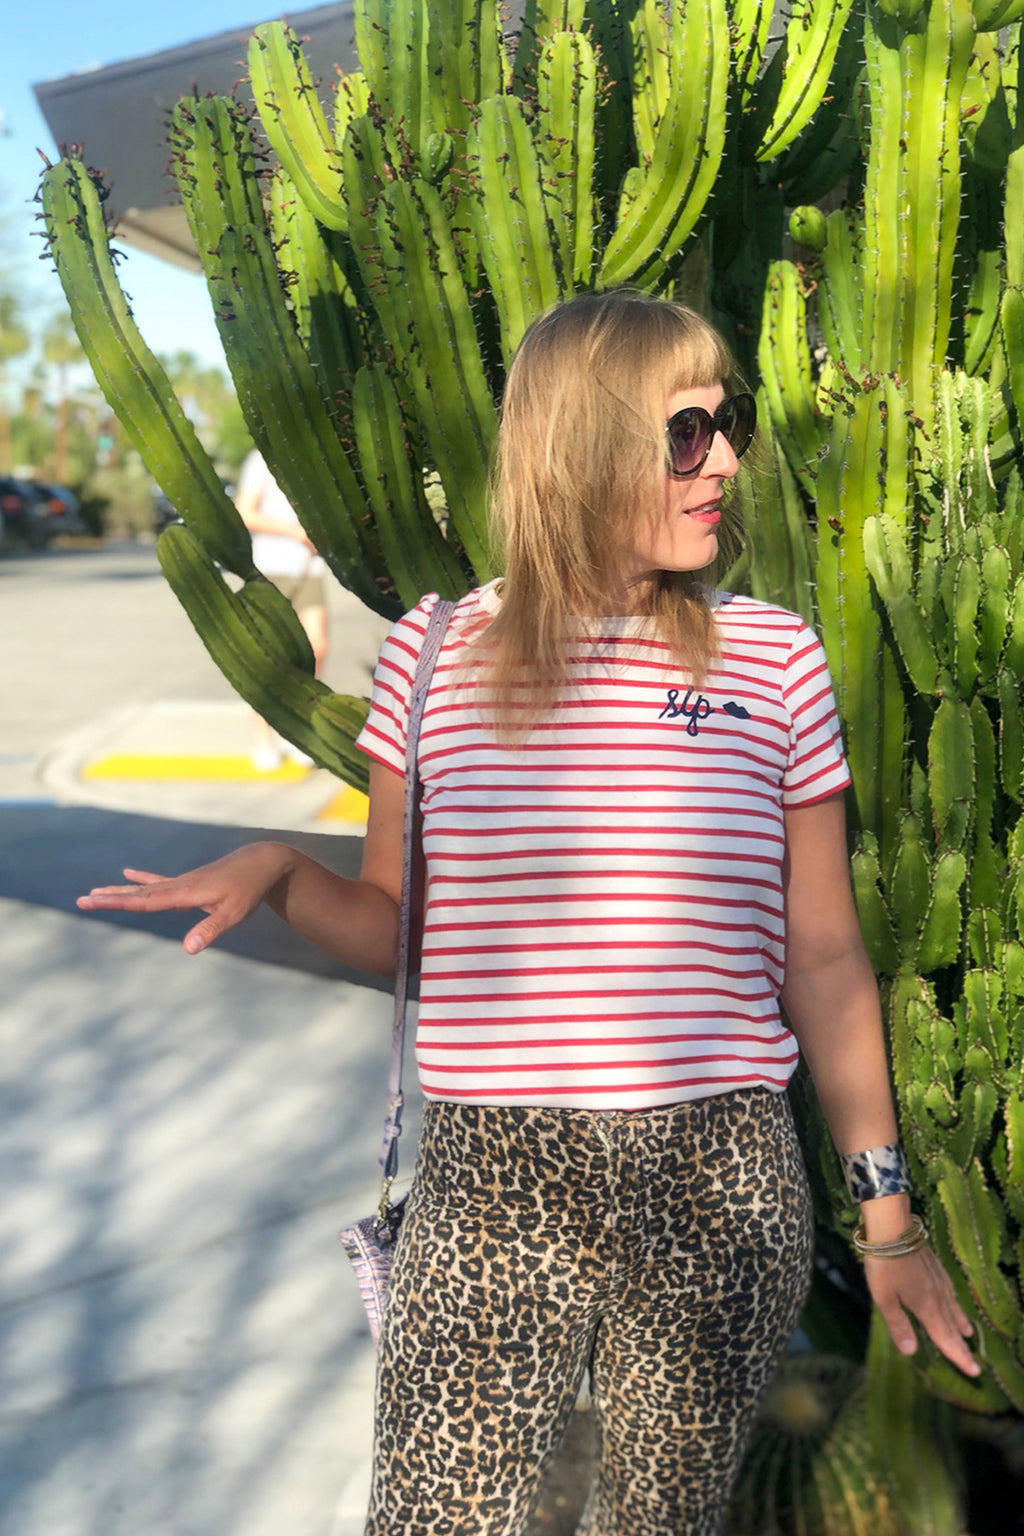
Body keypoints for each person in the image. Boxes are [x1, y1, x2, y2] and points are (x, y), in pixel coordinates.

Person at [79, 291, 978, 1536]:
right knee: (434, 1518)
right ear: (583, 440)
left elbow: (822, 957)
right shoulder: (433, 653)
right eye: (685, 430)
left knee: (655, 1524)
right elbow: (395, 924)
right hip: (495, 1175)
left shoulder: (774, 658)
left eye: (732, 422)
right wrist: (285, 875)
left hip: (715, 1174)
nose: (723, 458)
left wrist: (887, 1220)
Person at [234, 447, 328, 769]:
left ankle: (296, 730)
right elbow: (244, 511)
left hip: (310, 568)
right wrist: (294, 532)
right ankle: (261, 735)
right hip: (273, 566)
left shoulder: (315, 457)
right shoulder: (261, 459)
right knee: (271, 657)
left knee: (316, 649)